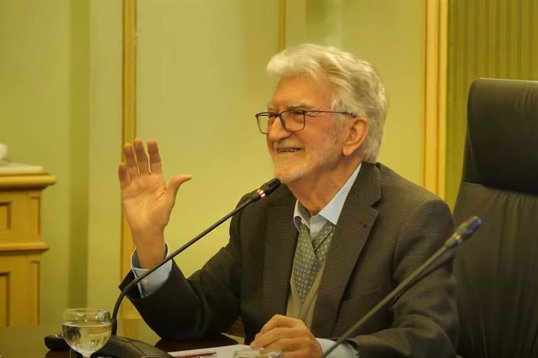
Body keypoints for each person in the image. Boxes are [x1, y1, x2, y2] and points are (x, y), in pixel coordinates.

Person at [118, 43, 459, 358]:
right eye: (273, 116)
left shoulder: (413, 217)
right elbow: (188, 320)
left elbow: (430, 339)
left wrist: (327, 352)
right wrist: (150, 243)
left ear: (352, 133)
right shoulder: (262, 211)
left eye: (298, 114)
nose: (278, 132)